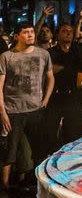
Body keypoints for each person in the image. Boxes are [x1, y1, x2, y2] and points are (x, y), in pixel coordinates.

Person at [0, 24, 54, 192]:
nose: (30, 35)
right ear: (17, 36)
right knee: (10, 149)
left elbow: (50, 77)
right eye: (26, 32)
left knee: (36, 148)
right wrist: (2, 111)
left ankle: (33, 183)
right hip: (12, 110)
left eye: (31, 32)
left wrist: (45, 99)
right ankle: (5, 185)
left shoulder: (43, 54)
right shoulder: (6, 57)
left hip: (35, 109)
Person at [43, 18, 82, 155]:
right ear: (58, 34)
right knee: (50, 134)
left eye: (70, 32)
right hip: (54, 97)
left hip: (73, 97)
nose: (68, 34)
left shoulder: (78, 52)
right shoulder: (50, 53)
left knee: (72, 134)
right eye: (64, 31)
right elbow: (48, 71)